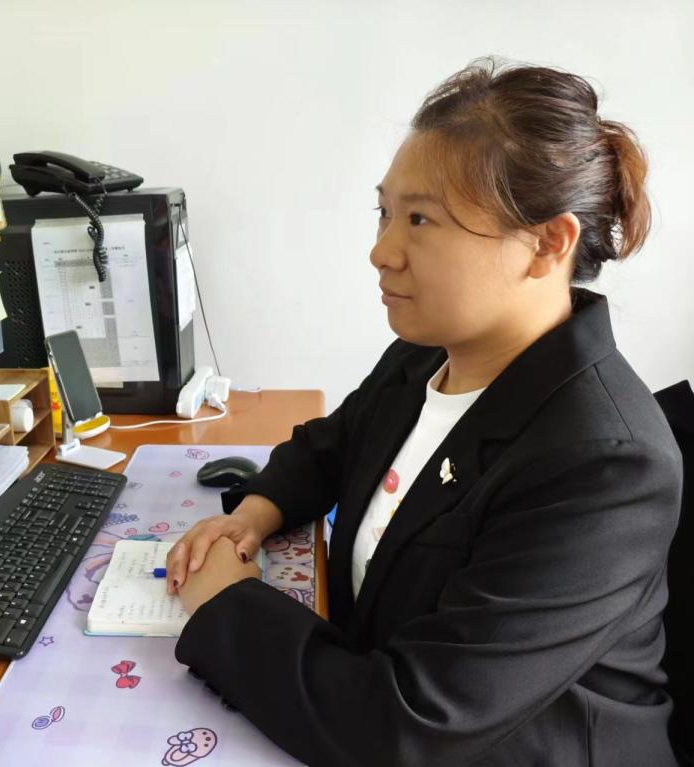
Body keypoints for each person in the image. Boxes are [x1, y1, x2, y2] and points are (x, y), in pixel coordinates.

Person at [166, 57, 683, 766]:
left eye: (420, 219)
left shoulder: (605, 465)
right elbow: (332, 445)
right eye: (385, 212)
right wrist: (253, 512)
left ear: (547, 243)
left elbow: (410, 723)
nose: (381, 251)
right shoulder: (427, 354)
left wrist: (226, 604)